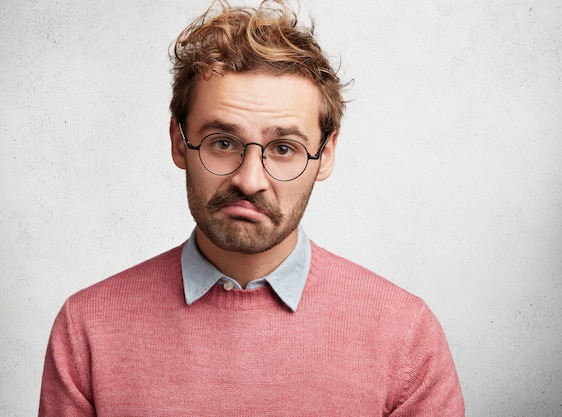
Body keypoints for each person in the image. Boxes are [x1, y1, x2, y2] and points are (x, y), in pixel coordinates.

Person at [38, 1, 465, 415]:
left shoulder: (406, 337)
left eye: (283, 148)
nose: (250, 179)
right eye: (223, 143)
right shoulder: (87, 330)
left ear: (326, 154)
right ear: (178, 141)